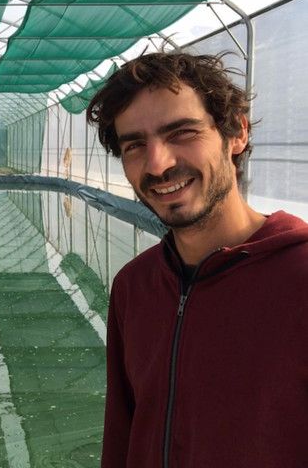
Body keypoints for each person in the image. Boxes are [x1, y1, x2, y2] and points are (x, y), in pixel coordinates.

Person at [86, 52, 308, 468]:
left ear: (236, 133)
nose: (158, 163)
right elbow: (121, 433)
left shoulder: (300, 277)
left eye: (182, 132)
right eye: (135, 145)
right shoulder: (134, 286)